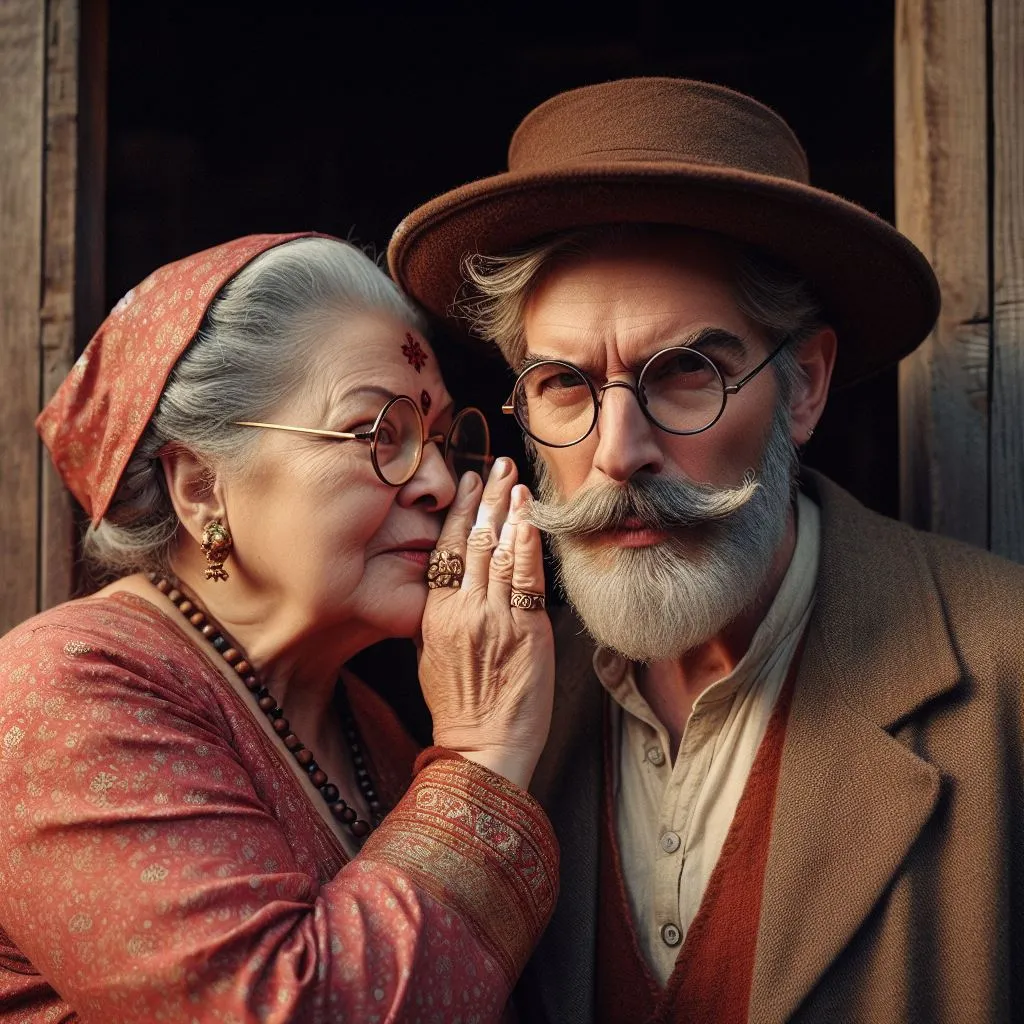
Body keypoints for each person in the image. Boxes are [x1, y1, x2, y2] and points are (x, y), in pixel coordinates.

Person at [388, 78, 1024, 1023]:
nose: (619, 451)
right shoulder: (494, 706)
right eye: (564, 384)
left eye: (685, 373)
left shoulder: (1006, 665)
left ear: (804, 387)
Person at [0, 233, 558, 1022]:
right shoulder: (60, 691)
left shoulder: (374, 729)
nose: (439, 482)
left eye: (438, 440)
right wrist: (484, 753)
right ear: (201, 489)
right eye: (379, 434)